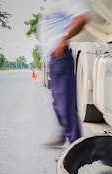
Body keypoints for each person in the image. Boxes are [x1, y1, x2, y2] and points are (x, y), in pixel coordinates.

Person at [37, 0, 89, 151]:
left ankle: (76, 148)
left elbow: (82, 17)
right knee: (58, 102)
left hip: (60, 56)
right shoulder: (49, 5)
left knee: (65, 104)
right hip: (53, 60)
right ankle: (62, 134)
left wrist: (63, 39)